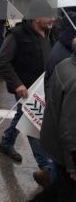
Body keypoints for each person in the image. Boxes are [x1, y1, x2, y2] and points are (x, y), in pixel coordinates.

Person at [0, 0, 56, 187]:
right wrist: (17, 84)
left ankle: (6, 143)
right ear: (36, 17)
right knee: (33, 122)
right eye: (48, 16)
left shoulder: (49, 32)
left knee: (22, 115)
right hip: (25, 89)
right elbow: (2, 62)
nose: (53, 19)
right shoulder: (17, 34)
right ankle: (46, 167)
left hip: (43, 87)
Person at [36, 39, 76, 201]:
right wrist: (73, 167)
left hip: (56, 146)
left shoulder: (64, 64)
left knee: (59, 188)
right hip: (67, 155)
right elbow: (70, 130)